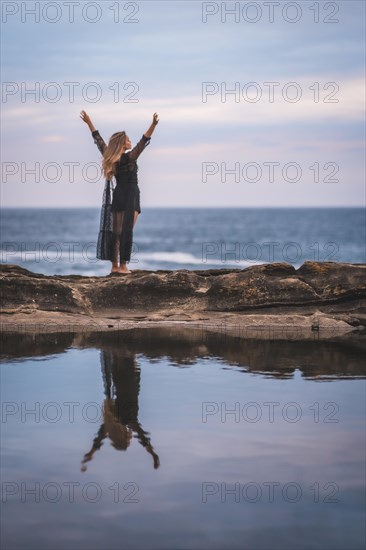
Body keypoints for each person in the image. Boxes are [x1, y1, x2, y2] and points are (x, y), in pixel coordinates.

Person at [80, 111, 159, 274]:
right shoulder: (130, 157)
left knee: (116, 233)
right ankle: (123, 266)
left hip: (118, 195)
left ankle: (115, 266)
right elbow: (143, 142)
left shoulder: (111, 157)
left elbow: (98, 139)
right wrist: (153, 125)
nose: (131, 141)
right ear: (122, 143)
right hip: (131, 195)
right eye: (128, 139)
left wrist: (89, 122)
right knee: (126, 231)